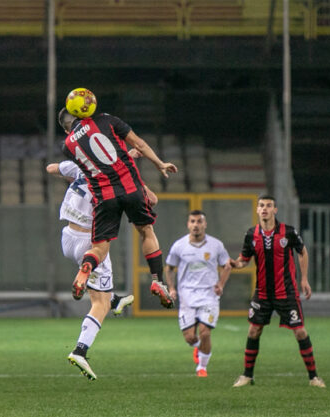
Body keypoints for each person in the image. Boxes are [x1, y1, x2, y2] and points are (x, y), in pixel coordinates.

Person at [46, 143, 154, 379]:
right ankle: (80, 350)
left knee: (104, 293)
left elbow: (51, 167)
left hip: (68, 236)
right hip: (92, 244)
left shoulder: (80, 167)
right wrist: (134, 174)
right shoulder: (114, 180)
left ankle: (115, 300)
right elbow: (152, 199)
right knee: (99, 303)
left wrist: (69, 174)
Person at [59, 103, 178, 309]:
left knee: (100, 248)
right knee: (146, 232)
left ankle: (85, 269)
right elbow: (139, 144)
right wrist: (160, 163)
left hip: (104, 196)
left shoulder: (67, 145)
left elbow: (91, 162)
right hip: (130, 188)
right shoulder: (107, 120)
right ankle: (158, 281)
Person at [229, 195, 325, 388]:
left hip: (286, 293)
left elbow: (302, 251)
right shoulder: (251, 234)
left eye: (269, 205)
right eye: (262, 205)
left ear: (275, 210)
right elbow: (244, 259)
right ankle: (247, 376)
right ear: (257, 210)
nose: (265, 209)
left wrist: (304, 279)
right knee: (254, 330)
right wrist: (235, 264)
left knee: (300, 332)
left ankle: (314, 377)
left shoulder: (287, 232)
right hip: (262, 293)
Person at [164, 210, 232, 378]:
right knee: (190, 338)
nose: (196, 225)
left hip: (209, 295)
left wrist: (221, 284)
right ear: (188, 224)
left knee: (205, 332)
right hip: (186, 296)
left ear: (205, 224)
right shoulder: (179, 246)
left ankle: (202, 367)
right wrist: (171, 289)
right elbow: (169, 267)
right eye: (193, 221)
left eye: (199, 221)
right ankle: (198, 346)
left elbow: (227, 265)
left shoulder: (216, 245)